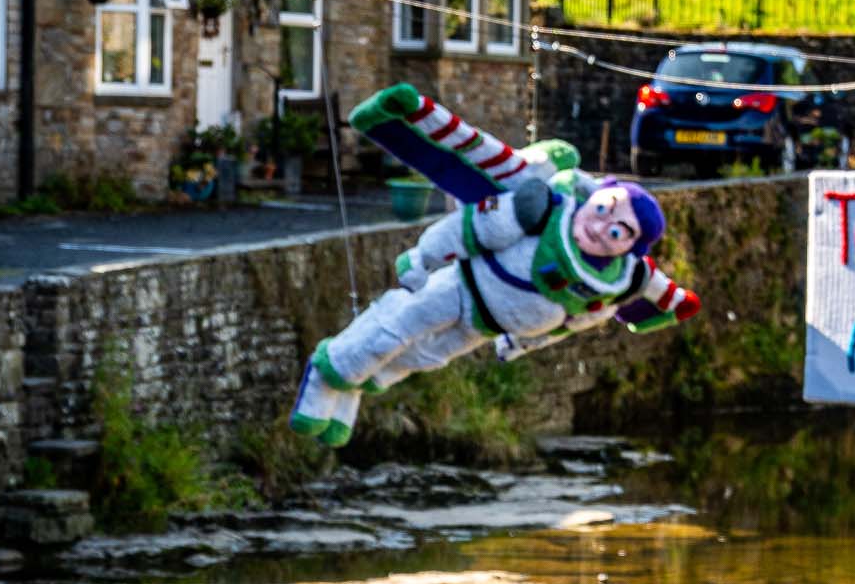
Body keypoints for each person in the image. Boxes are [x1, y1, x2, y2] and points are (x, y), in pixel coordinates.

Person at [290, 86, 700, 446]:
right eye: (604, 210)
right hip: (462, 287)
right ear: (595, 195)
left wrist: (522, 343)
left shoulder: (611, 282)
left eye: (618, 232)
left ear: (629, 247)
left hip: (485, 326)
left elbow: (574, 320)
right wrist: (424, 258)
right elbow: (472, 189)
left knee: (422, 358)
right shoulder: (540, 208)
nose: (600, 228)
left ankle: (352, 387)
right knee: (397, 327)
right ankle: (327, 373)